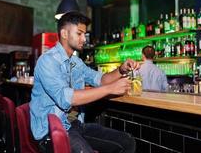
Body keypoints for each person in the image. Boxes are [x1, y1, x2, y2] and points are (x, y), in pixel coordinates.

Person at [30, 11, 139, 153]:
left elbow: (100, 79)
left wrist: (121, 70)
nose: (84, 39)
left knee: (127, 142)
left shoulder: (76, 62)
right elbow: (66, 98)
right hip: (51, 131)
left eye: (84, 34)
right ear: (64, 33)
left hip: (75, 125)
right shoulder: (47, 60)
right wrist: (110, 89)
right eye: (79, 33)